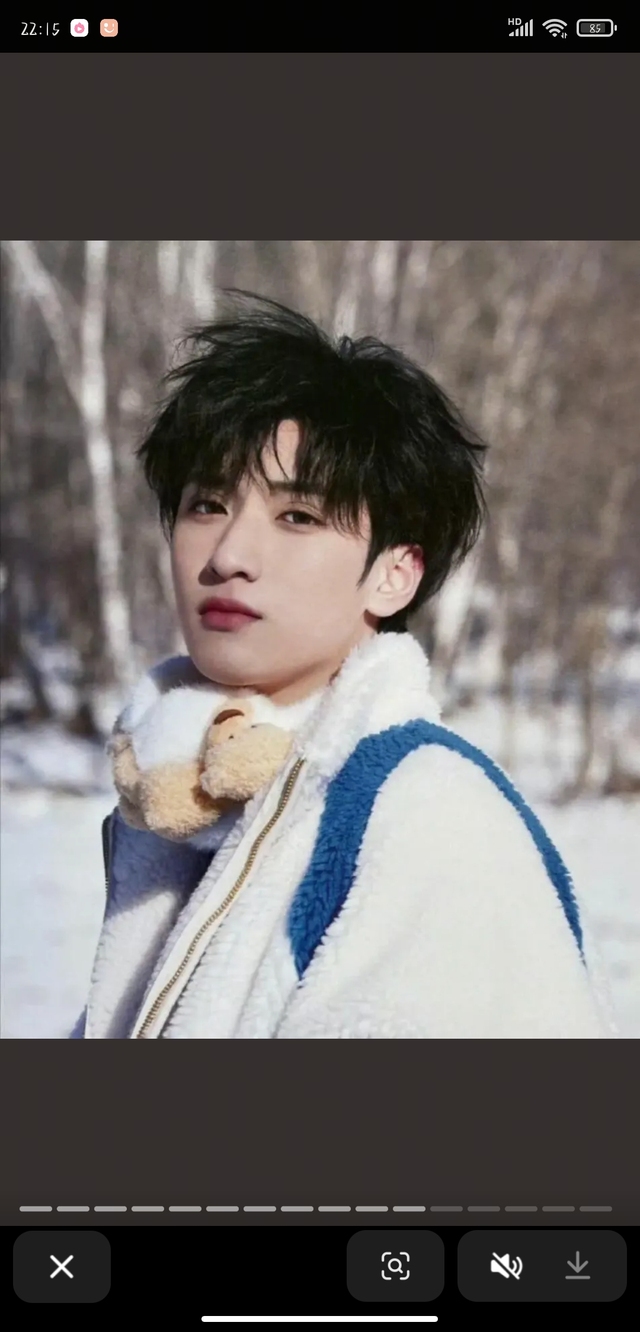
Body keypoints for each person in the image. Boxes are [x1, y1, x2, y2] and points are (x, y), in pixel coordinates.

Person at [72, 293, 616, 1039]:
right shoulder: (172, 802)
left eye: (297, 517)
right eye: (206, 505)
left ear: (394, 574)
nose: (228, 556)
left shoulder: (428, 820)